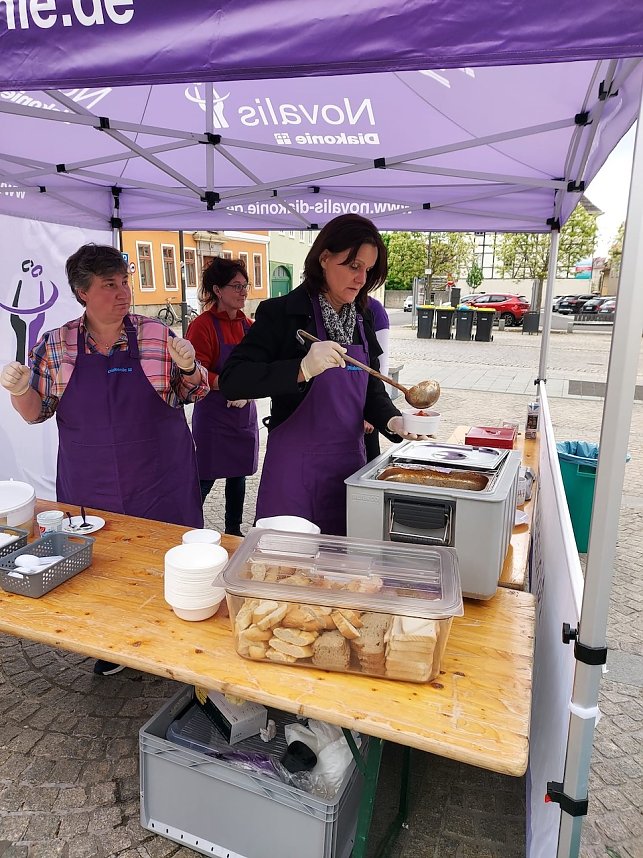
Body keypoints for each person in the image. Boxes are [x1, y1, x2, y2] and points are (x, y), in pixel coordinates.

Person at [1, 244, 208, 675]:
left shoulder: (156, 335)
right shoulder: (56, 345)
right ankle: (114, 645)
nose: (123, 292)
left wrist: (189, 369)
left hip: (161, 477)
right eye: (109, 285)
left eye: (125, 282)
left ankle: (175, 635)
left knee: (167, 553)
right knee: (101, 562)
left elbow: (194, 393)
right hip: (89, 480)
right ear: (82, 292)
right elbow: (37, 413)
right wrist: (21, 389)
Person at [219, 214, 426, 536]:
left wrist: (393, 421)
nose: (361, 279)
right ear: (325, 257)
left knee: (344, 566)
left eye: (368, 270)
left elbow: (370, 386)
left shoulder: (362, 316)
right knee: (289, 567)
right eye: (353, 265)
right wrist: (300, 369)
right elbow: (234, 380)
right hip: (295, 470)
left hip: (350, 466)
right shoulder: (281, 314)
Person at [185, 257, 259, 536]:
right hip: (214, 415)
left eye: (245, 286)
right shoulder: (202, 326)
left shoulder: (248, 326)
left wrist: (248, 390)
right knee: (205, 476)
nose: (243, 292)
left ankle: (233, 530)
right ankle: (190, 527)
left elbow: (258, 367)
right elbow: (197, 371)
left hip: (242, 414)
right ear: (217, 290)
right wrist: (229, 386)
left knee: (238, 474)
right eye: (236, 286)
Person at [363, 295, 390, 461]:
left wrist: (371, 415)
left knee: (367, 464)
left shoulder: (373, 309)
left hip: (366, 407)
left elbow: (381, 366)